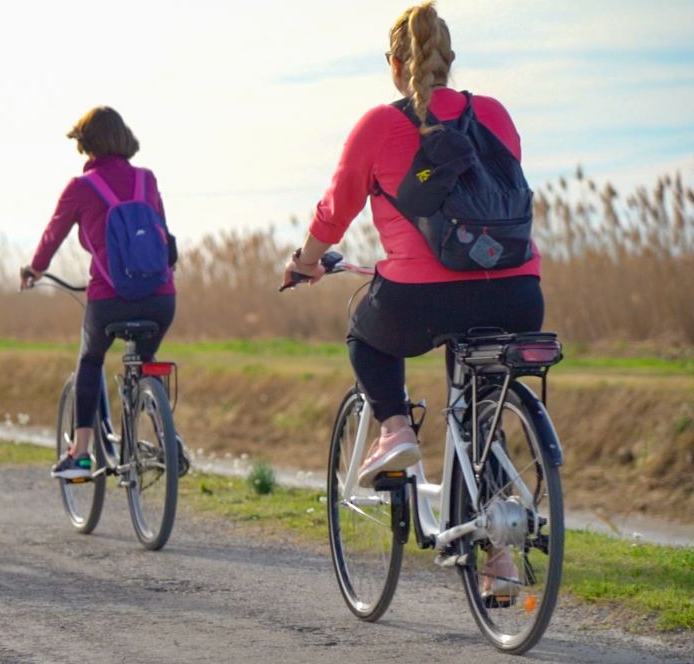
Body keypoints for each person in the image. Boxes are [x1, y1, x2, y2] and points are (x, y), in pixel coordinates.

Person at [283, 1, 542, 599]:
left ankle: (395, 429)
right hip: (518, 291)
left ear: (395, 64)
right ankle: (499, 559)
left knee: (363, 330)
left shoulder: (378, 124)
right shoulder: (495, 116)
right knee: (478, 412)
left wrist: (303, 262)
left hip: (421, 298)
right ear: (447, 60)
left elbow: (334, 212)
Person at [21, 106, 179, 480]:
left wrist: (35, 269)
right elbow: (165, 240)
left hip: (110, 298)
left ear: (86, 145)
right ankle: (164, 436)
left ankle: (80, 453)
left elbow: (53, 235)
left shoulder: (80, 188)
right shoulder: (147, 179)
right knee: (146, 361)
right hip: (161, 296)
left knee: (91, 359)